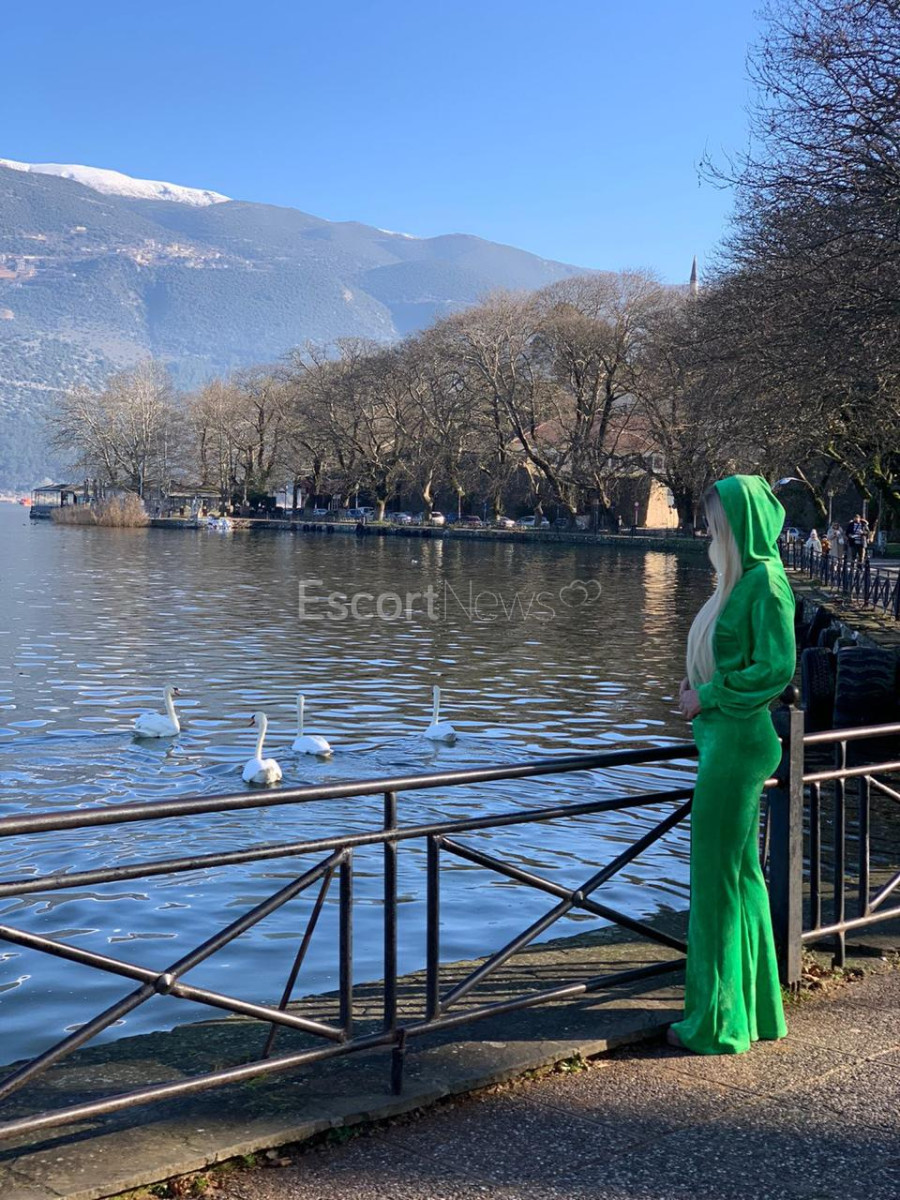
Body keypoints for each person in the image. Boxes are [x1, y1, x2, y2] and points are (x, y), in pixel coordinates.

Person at [671, 475, 796, 1055]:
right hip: (726, 739)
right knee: (740, 876)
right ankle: (757, 1011)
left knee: (715, 882)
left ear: (740, 524)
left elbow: (776, 669)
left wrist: (709, 695)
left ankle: (716, 1025)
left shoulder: (766, 583)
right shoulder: (743, 580)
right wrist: (696, 690)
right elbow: (734, 660)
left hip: (738, 743)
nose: (709, 533)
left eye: (716, 523)